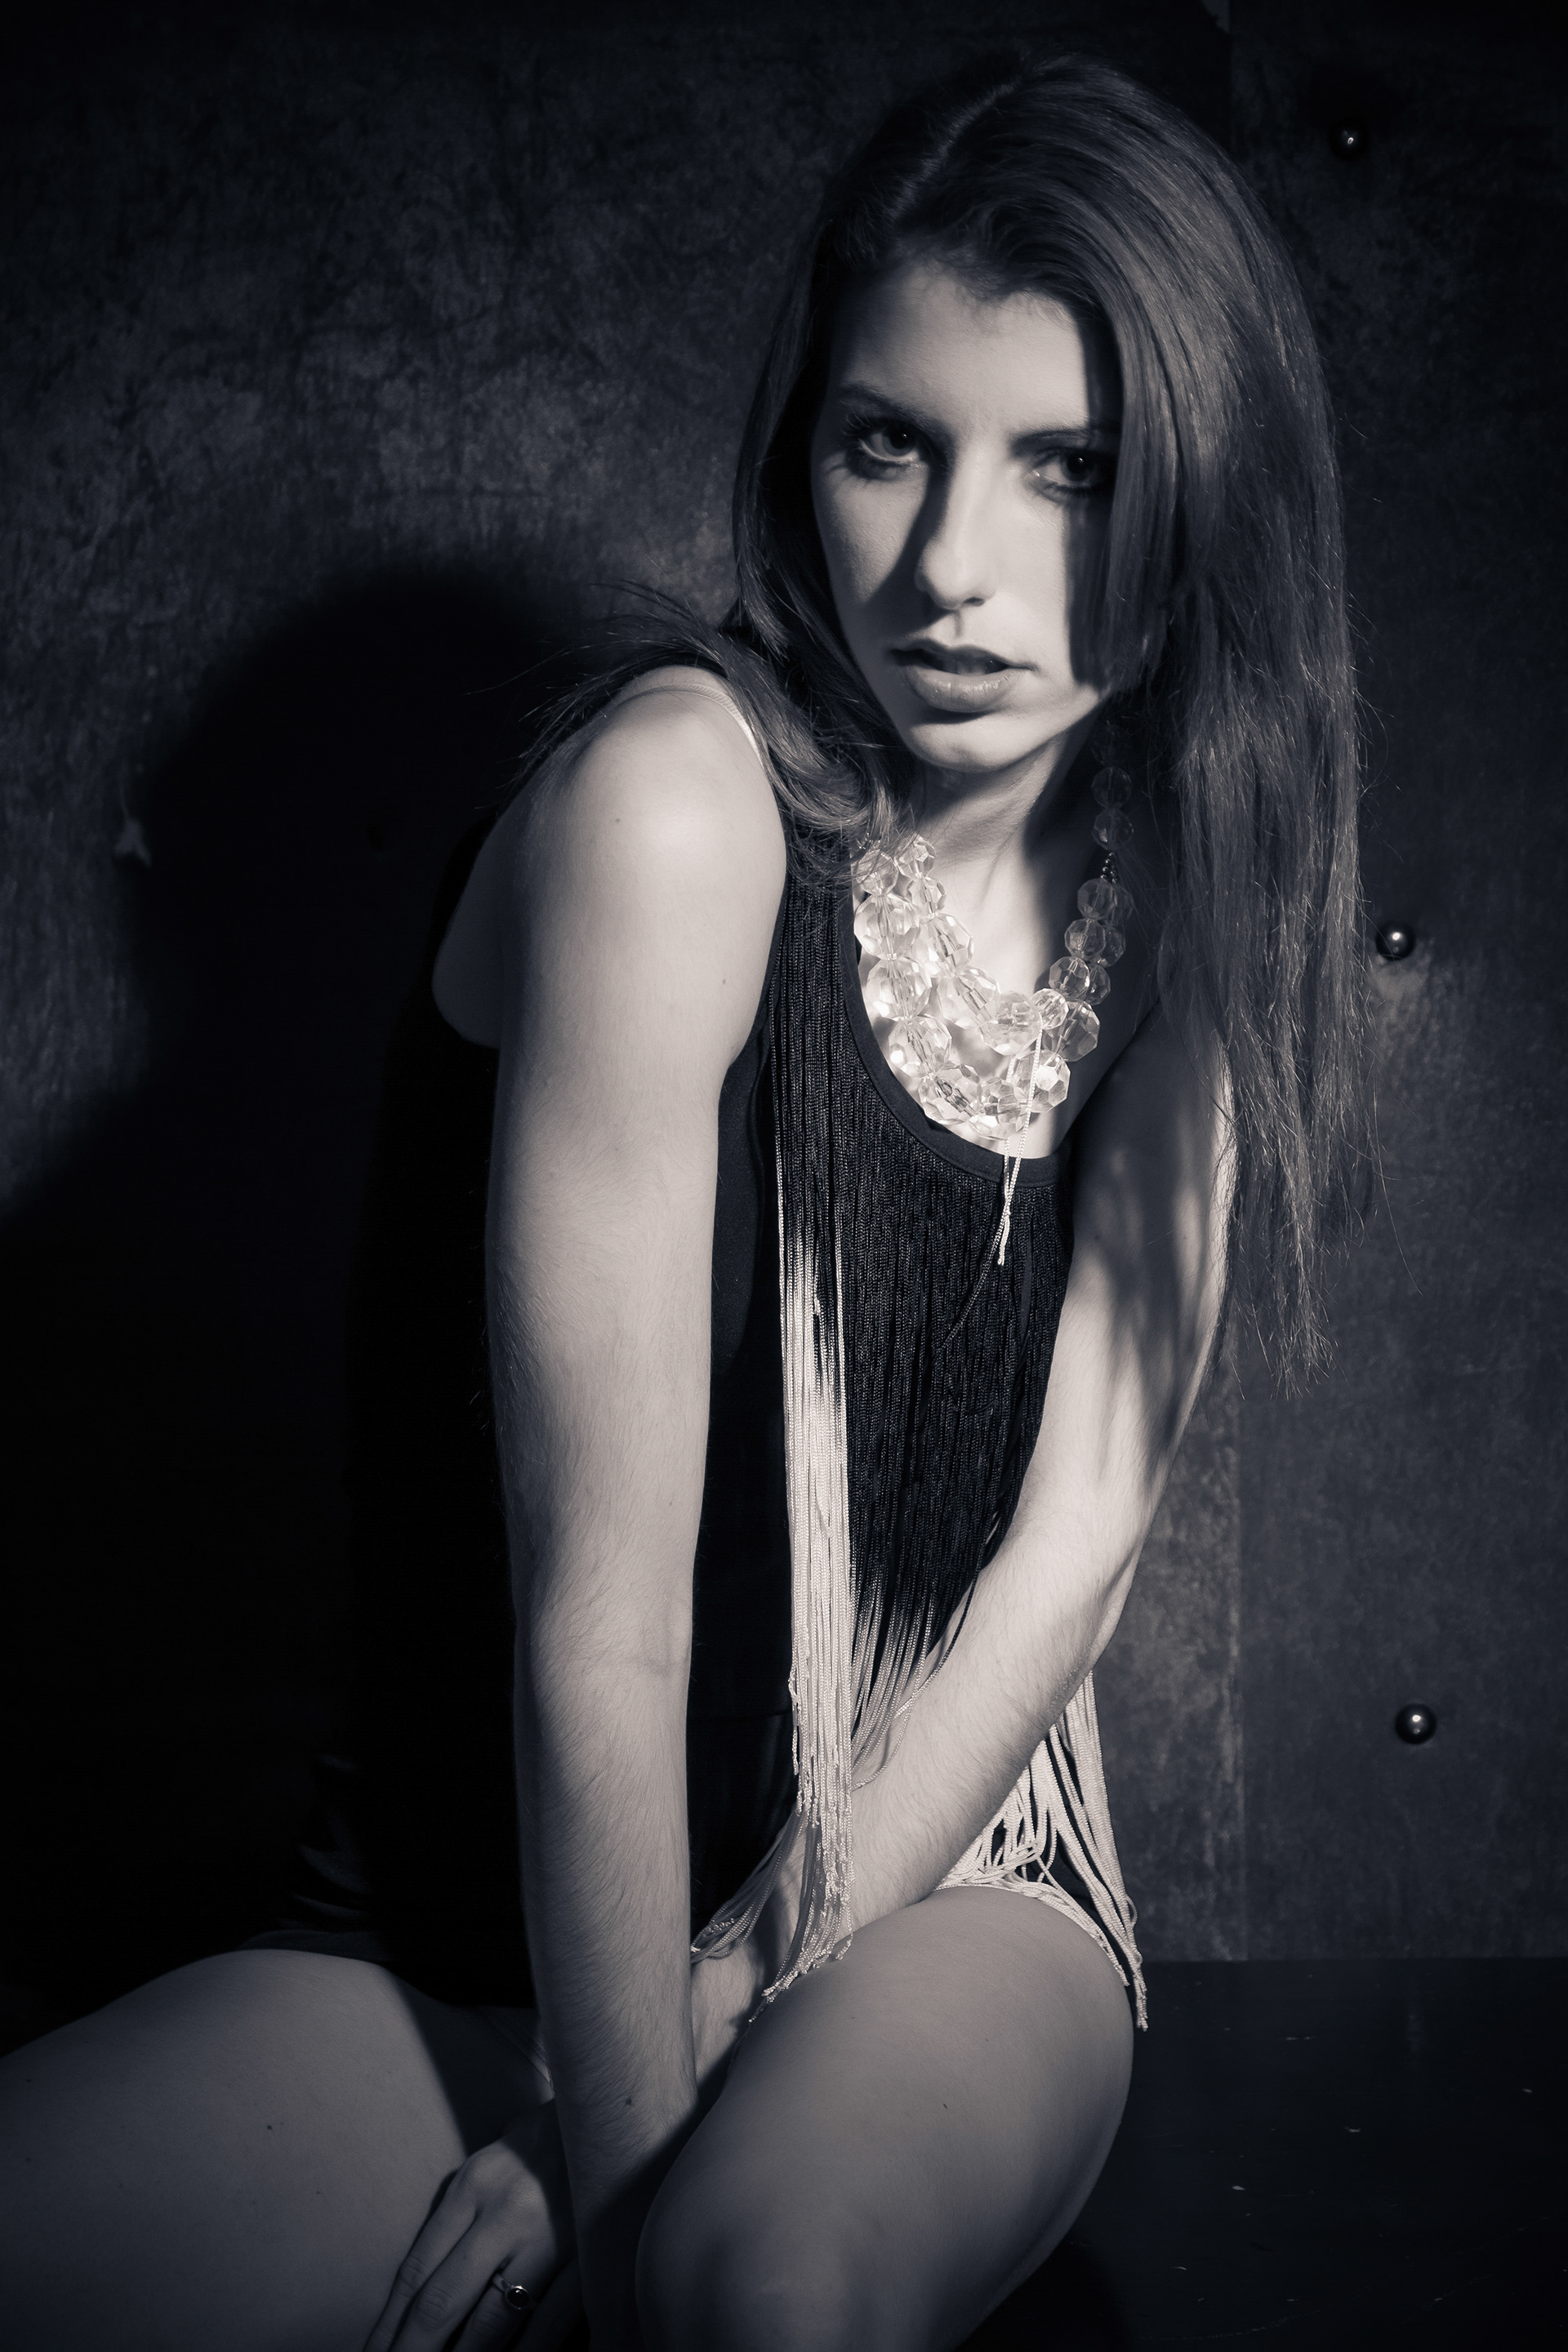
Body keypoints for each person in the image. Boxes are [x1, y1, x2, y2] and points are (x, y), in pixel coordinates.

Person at [0, 49, 1366, 2352]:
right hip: (470, 1927)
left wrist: (662, 2126)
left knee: (765, 2295)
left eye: (1072, 469)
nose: (951, 567)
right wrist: (608, 2135)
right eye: (886, 444)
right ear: (801, 446)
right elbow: (602, 1625)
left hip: (929, 1879)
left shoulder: (1183, 906)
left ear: (1205, 494)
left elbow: (1072, 1560)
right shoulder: (676, 807)